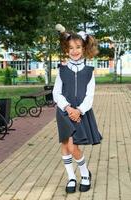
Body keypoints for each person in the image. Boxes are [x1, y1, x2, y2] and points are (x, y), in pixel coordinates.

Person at [53, 24, 102, 193]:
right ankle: (72, 177)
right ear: (66, 49)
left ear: (84, 48)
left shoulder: (89, 71)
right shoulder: (62, 69)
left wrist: (79, 110)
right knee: (66, 145)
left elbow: (90, 96)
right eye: (71, 48)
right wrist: (67, 108)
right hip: (64, 112)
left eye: (78, 47)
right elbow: (56, 93)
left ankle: (85, 173)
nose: (74, 51)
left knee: (73, 147)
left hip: (81, 112)